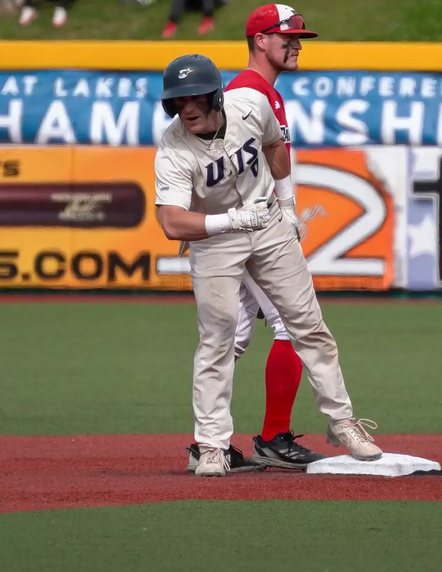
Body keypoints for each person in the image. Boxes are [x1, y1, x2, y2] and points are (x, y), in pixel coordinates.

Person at [153, 53, 383, 477]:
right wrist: (231, 220)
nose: (186, 107)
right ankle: (212, 446)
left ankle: (343, 423)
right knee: (217, 340)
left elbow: (276, 144)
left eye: (196, 97)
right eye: (177, 100)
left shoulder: (249, 105)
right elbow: (170, 222)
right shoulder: (173, 148)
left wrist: (288, 206)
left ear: (217, 95)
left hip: (268, 226)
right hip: (217, 239)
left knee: (308, 324)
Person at [183, 3, 327, 473]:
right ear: (260, 40)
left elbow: (270, 160)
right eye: (288, 36)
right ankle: (273, 437)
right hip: (242, 231)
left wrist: (286, 211)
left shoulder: (262, 91)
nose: (297, 44)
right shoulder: (247, 90)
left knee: (236, 331)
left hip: (247, 227)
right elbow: (221, 166)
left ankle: (210, 445)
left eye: (299, 37)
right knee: (288, 324)